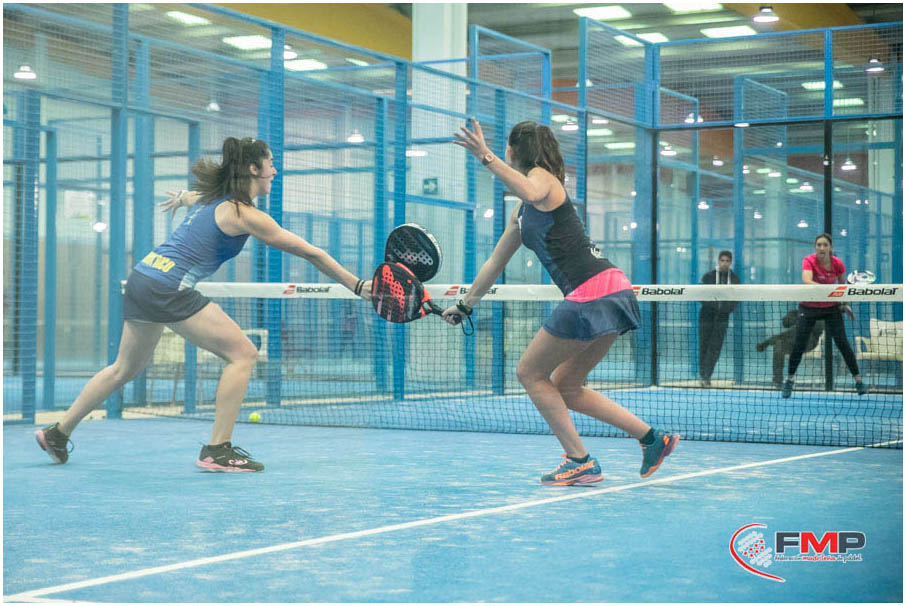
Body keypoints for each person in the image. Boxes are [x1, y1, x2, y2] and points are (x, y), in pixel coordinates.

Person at [35, 137, 372, 472]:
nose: (275, 171)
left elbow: (192, 196)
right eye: (270, 164)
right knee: (243, 354)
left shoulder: (212, 198)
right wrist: (357, 286)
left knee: (123, 368)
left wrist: (182, 198)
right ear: (254, 169)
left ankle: (58, 433)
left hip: (143, 276)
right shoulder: (245, 214)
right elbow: (312, 252)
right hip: (169, 287)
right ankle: (217, 449)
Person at [446, 118, 679, 485]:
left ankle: (579, 460)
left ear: (513, 151)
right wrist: (465, 305)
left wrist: (484, 156)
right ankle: (653, 439)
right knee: (567, 385)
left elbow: (530, 190)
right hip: (612, 289)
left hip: (592, 291)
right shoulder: (522, 213)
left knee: (529, 372)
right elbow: (495, 262)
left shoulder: (543, 180)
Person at [782, 233, 867, 398]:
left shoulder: (837, 264)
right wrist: (828, 291)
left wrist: (845, 304)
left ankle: (858, 381)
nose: (822, 248)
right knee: (799, 344)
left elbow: (842, 286)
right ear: (815, 247)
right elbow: (807, 281)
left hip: (831, 308)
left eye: (825, 245)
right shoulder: (808, 260)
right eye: (819, 245)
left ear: (830, 247)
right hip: (809, 307)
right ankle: (789, 380)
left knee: (843, 343)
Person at [698, 250, 741, 387]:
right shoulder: (708, 277)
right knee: (704, 346)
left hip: (722, 318)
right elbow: (701, 295)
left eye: (727, 261)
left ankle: (707, 376)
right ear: (718, 261)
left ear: (731, 262)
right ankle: (703, 375)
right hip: (706, 317)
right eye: (722, 260)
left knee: (715, 347)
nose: (724, 263)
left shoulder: (734, 279)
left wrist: (725, 310)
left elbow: (735, 299)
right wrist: (713, 307)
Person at [756, 309, 823, 388]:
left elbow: (785, 334)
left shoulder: (811, 316)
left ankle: (787, 378)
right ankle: (778, 380)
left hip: (809, 342)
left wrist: (765, 343)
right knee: (779, 345)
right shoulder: (798, 313)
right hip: (795, 341)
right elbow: (786, 329)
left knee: (795, 331)